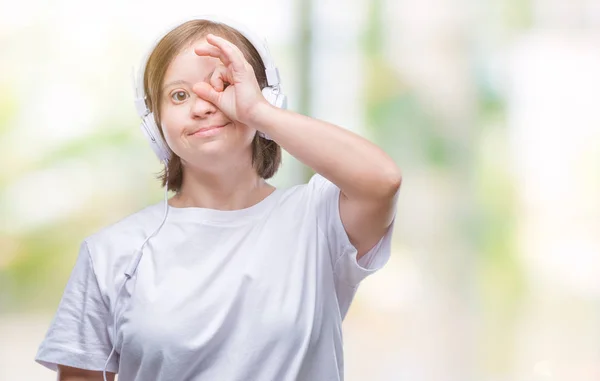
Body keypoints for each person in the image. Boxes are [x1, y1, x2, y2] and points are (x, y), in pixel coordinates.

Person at [34, 15, 401, 381]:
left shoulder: (318, 218)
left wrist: (258, 112)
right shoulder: (111, 252)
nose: (203, 105)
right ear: (154, 122)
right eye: (179, 95)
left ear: (264, 94)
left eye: (222, 85)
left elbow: (382, 181)